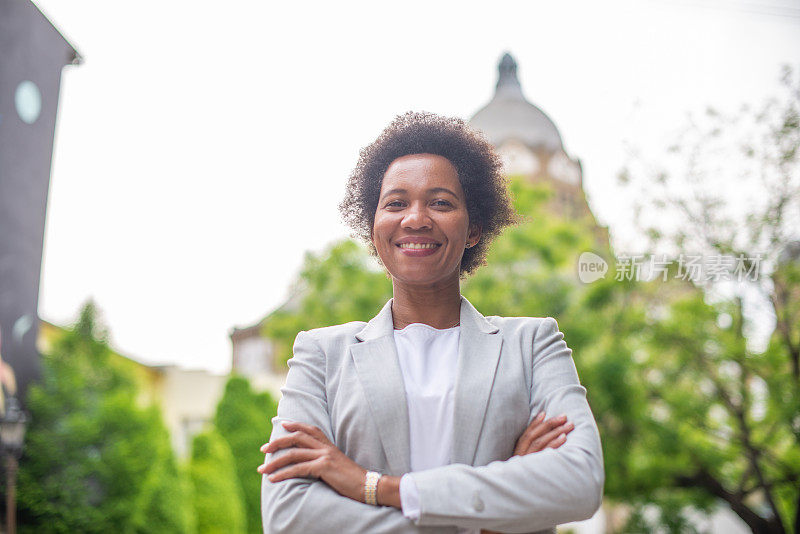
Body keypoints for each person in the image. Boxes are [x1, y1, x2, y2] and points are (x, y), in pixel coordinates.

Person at [257, 111, 605, 534]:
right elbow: (289, 516)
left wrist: (379, 487)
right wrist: (488, 517)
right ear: (373, 228)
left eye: (440, 202)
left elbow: (580, 482)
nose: (415, 218)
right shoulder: (321, 355)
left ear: (474, 227)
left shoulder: (532, 344)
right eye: (396, 203)